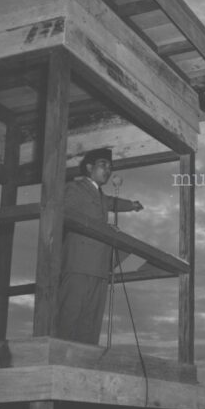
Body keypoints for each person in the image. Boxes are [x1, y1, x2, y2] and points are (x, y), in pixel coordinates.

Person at [57, 148, 143, 345]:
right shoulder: (74, 188)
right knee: (68, 317)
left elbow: (112, 202)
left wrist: (132, 205)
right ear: (89, 167)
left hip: (99, 267)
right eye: (103, 165)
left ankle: (85, 359)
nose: (108, 170)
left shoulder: (101, 195)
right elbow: (65, 215)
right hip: (78, 263)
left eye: (110, 167)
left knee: (91, 322)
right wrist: (104, 228)